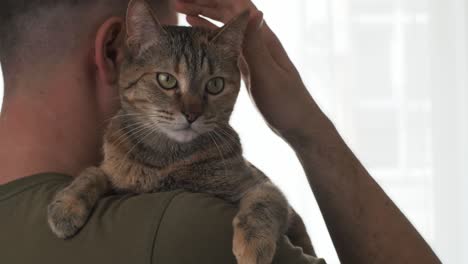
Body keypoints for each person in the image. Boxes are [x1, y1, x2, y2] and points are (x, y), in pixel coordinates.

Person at [0, 0, 441, 263]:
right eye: (168, 80)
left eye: (209, 86)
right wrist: (308, 127)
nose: (191, 110)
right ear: (116, 52)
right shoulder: (193, 228)